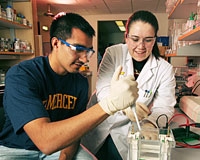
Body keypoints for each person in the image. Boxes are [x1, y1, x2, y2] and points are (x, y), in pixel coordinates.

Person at [0, 12, 139, 160]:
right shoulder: (23, 75)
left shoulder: (79, 81)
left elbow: (76, 130)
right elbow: (45, 141)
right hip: (15, 149)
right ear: (56, 43)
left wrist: (65, 157)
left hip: (58, 149)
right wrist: (109, 105)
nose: (85, 58)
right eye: (78, 49)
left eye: (88, 51)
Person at [81, 10, 176, 160]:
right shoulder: (113, 53)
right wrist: (123, 106)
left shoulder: (164, 69)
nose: (141, 46)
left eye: (148, 40)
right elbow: (103, 89)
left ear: (155, 39)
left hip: (127, 131)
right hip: (99, 123)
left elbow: (165, 106)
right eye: (135, 39)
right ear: (126, 37)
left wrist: (150, 124)